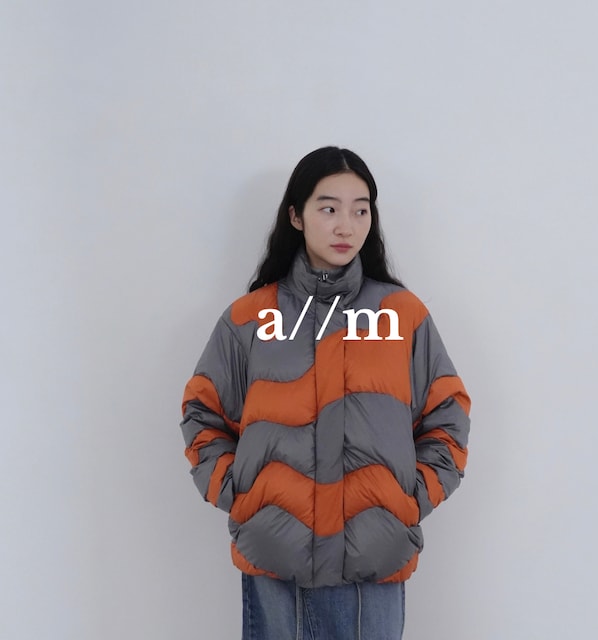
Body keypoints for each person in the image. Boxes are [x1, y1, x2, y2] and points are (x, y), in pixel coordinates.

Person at [180, 147, 471, 640]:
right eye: (329, 208)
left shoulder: (402, 316)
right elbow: (203, 412)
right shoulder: (250, 318)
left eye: (360, 210)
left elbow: (447, 414)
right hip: (275, 565)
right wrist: (245, 497)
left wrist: (405, 501)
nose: (346, 226)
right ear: (296, 216)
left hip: (372, 568)